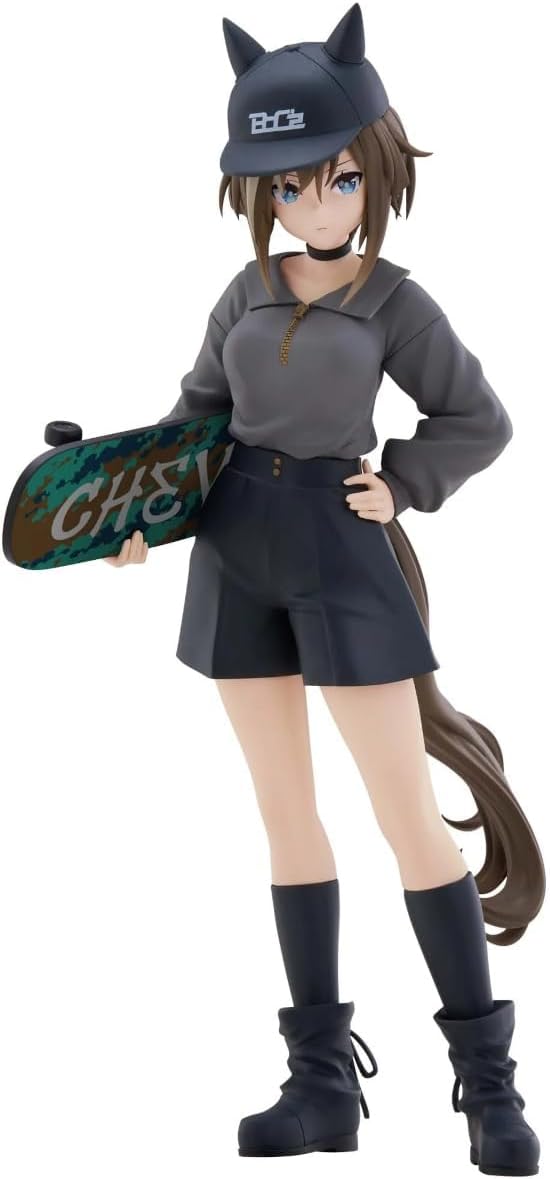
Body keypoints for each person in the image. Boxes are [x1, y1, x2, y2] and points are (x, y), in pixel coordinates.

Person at [105, 5, 544, 1169]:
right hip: (233, 546)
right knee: (286, 815)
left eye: (337, 179)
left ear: (374, 174)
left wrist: (401, 484)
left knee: (405, 816)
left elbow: (478, 418)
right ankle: (320, 1087)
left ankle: (489, 1086)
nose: (314, 205)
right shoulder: (242, 292)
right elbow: (195, 417)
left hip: (340, 546)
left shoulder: (395, 302)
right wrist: (137, 509)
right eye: (289, 186)